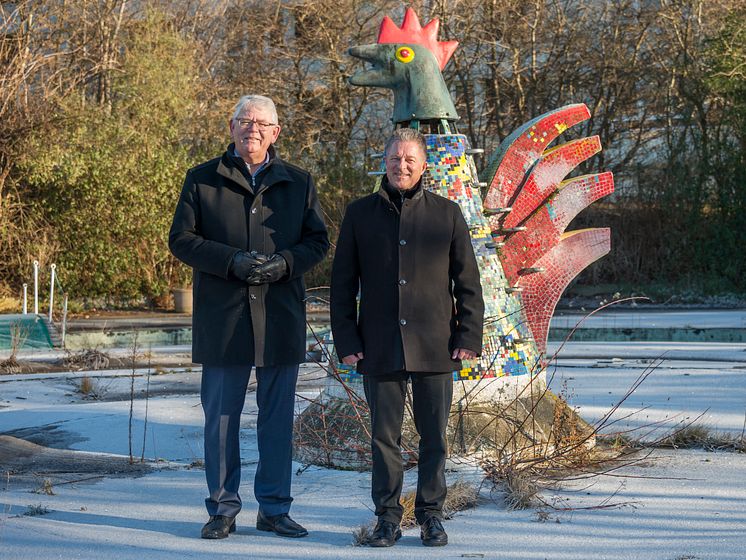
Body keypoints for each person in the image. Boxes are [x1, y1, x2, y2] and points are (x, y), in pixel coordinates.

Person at [169, 94, 329, 540]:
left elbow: (318, 241)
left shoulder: (298, 181)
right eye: (244, 121)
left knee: (277, 420)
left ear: (276, 132)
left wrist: (285, 264)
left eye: (261, 123)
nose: (252, 128)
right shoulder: (202, 179)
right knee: (220, 418)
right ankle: (222, 508)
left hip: (279, 316)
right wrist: (231, 261)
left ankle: (275, 508)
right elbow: (181, 239)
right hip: (224, 319)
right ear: (231, 127)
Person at [330, 128, 484, 547]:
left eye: (410, 160)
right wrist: (346, 341)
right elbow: (342, 284)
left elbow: (468, 282)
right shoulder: (359, 214)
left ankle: (431, 515)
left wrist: (468, 335)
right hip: (378, 344)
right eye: (395, 159)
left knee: (434, 436)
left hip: (435, 344)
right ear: (385, 162)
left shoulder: (447, 214)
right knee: (384, 438)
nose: (402, 166)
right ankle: (387, 518)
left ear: (423, 165)